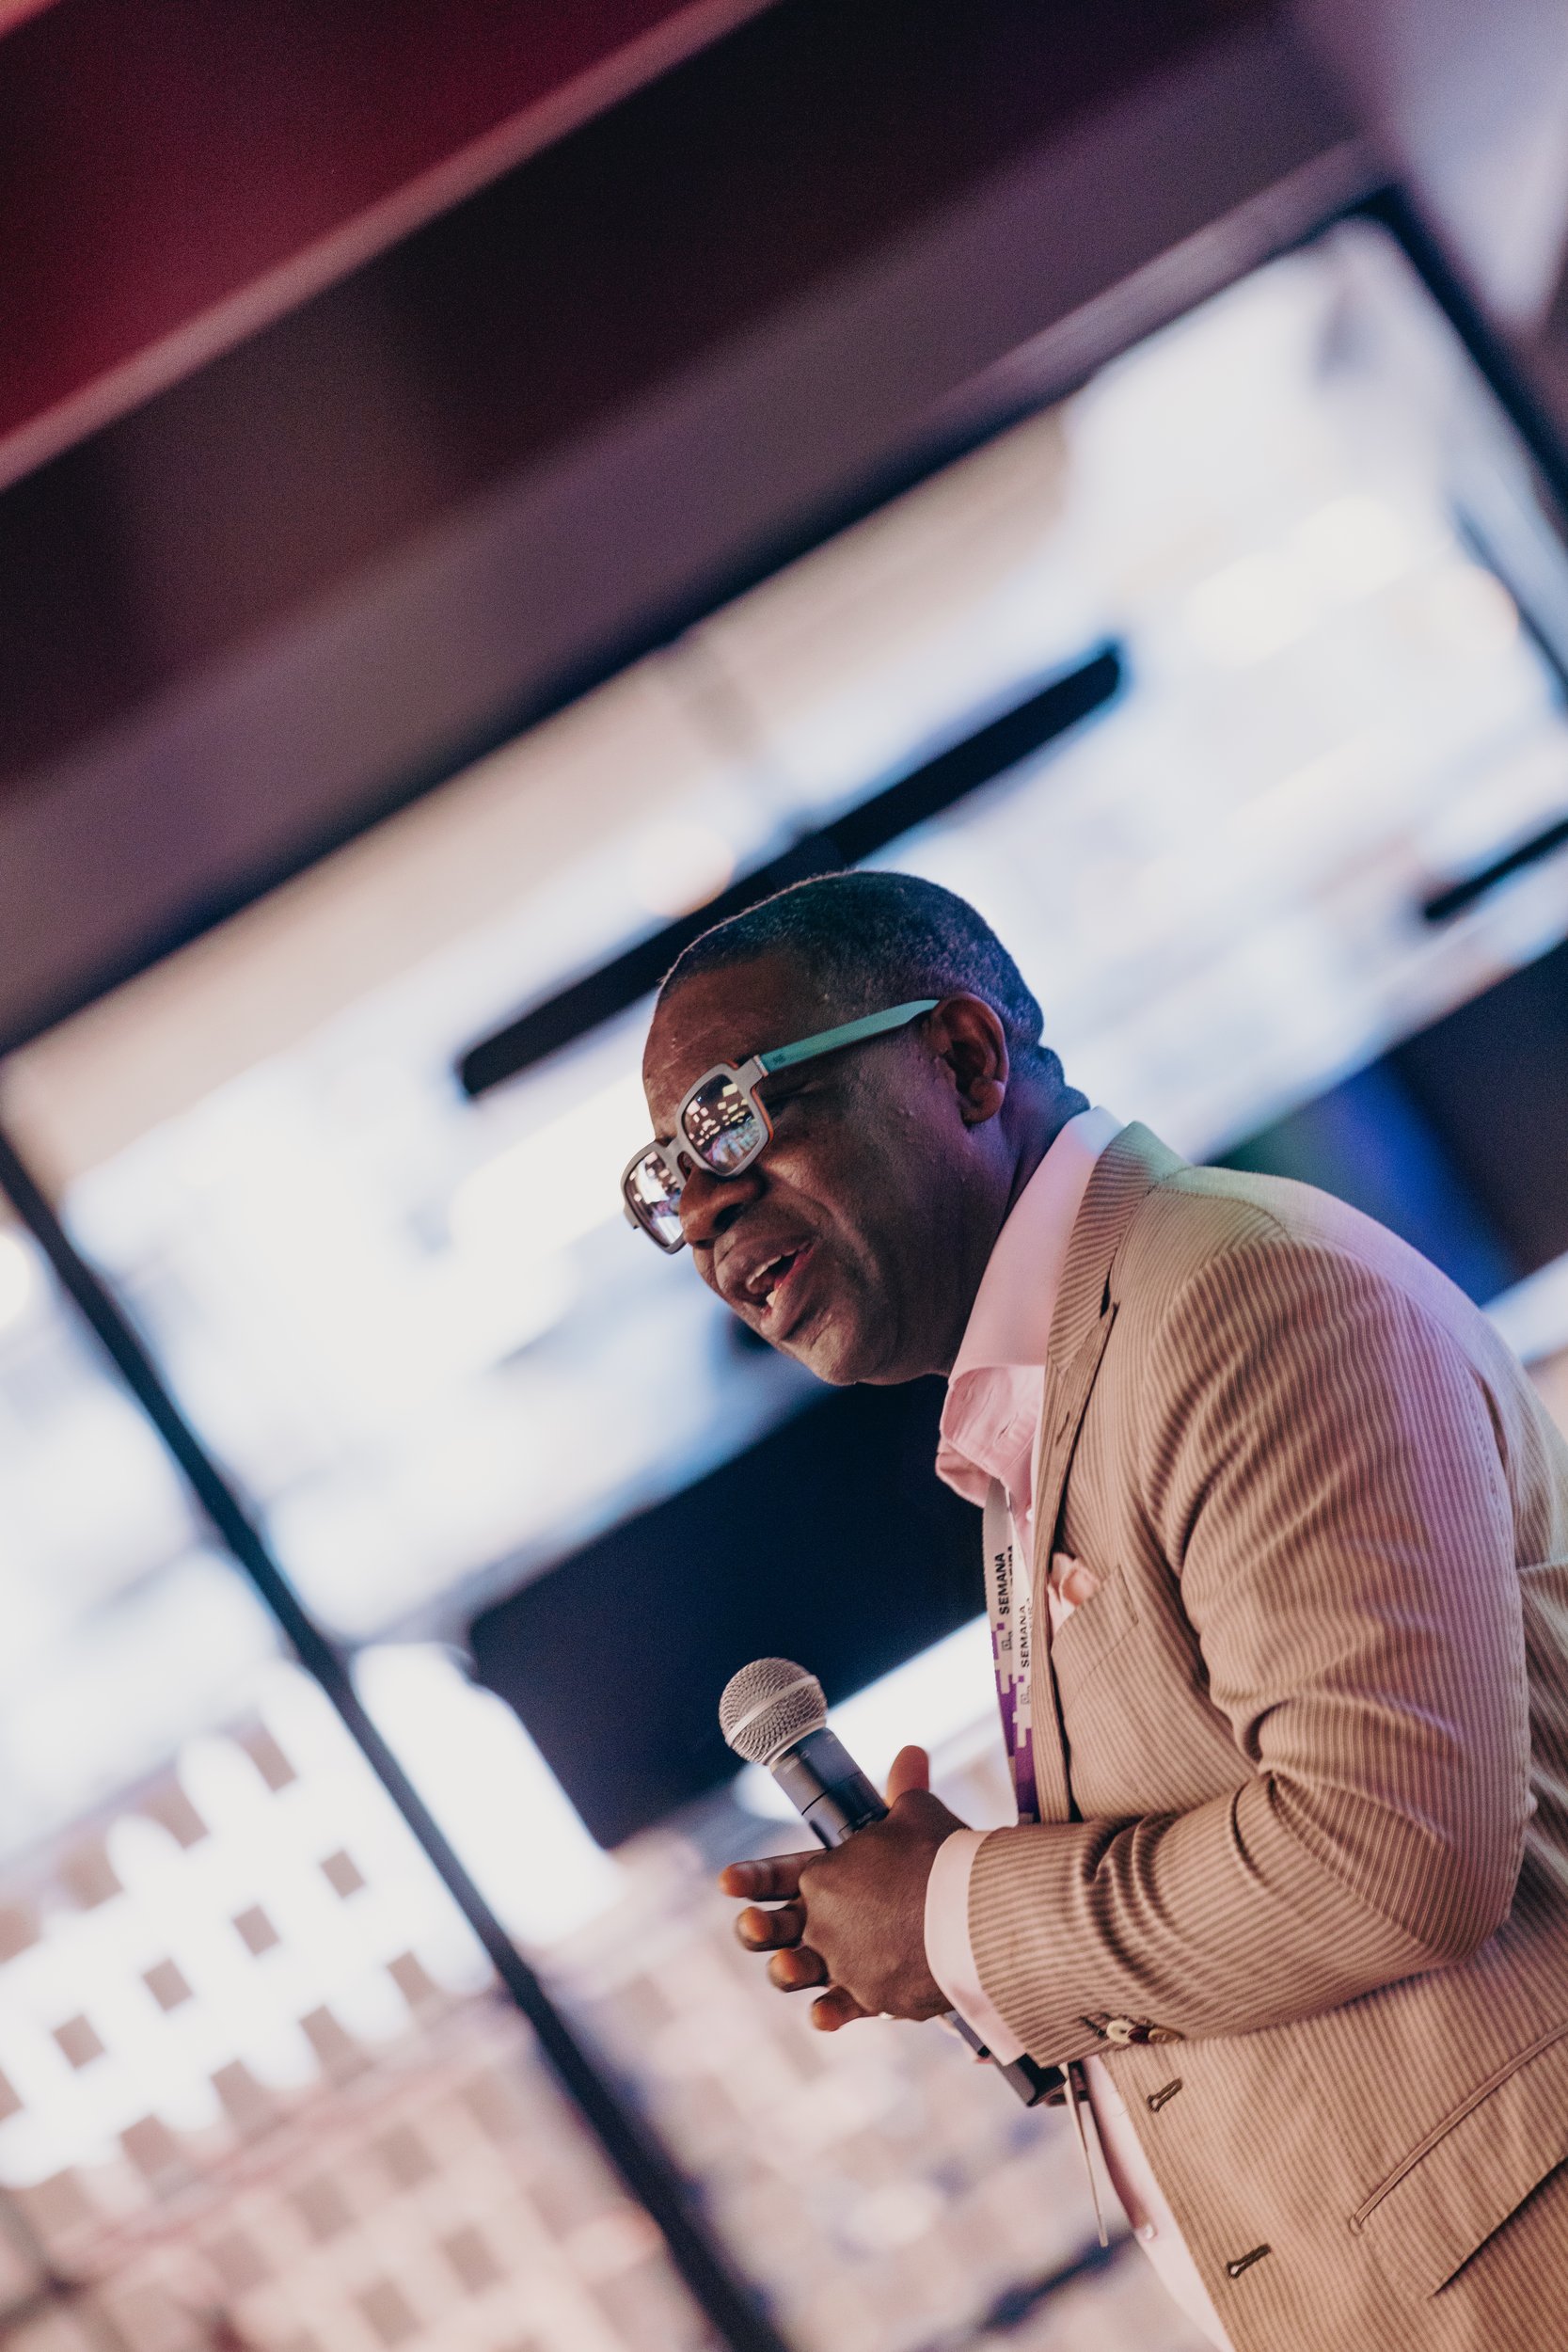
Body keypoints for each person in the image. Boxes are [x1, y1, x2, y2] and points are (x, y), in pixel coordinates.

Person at [625, 868, 1568, 2352]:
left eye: (731, 1116)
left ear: (960, 1059)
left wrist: (954, 1919)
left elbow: (1394, 1855)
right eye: (663, 1180)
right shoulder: (1055, 1397)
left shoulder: (1236, 1300)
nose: (700, 1210)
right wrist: (950, 1918)